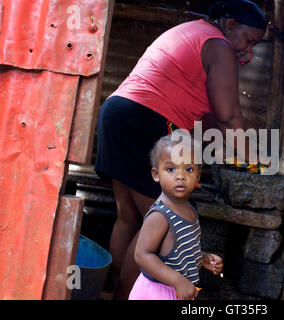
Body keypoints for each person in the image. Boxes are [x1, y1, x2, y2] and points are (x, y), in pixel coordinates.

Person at [94, 0, 267, 299]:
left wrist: (231, 154)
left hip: (117, 112)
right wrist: (258, 167)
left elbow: (213, 121)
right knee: (162, 223)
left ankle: (116, 291)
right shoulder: (219, 45)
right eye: (248, 40)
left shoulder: (194, 33)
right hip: (144, 120)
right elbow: (229, 117)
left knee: (129, 217)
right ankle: (125, 295)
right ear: (229, 25)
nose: (247, 51)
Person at [129, 134, 223, 300]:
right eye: (171, 169)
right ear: (156, 174)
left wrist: (202, 258)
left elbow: (178, 250)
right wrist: (177, 280)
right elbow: (142, 255)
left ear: (198, 176)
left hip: (177, 291)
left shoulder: (189, 210)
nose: (180, 176)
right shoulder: (160, 215)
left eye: (188, 169)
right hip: (156, 292)